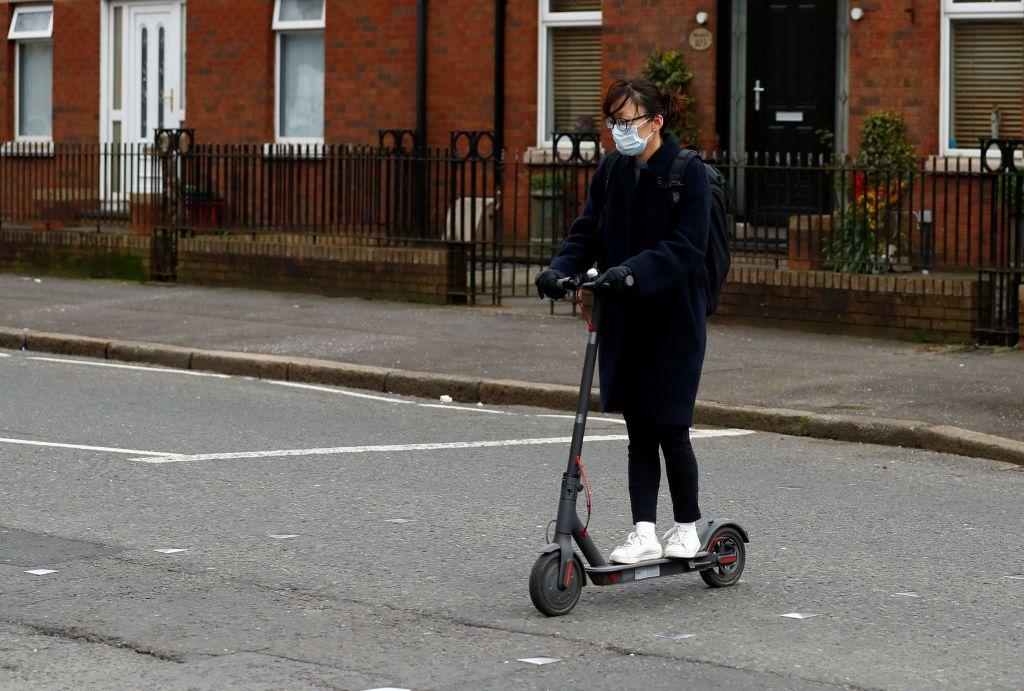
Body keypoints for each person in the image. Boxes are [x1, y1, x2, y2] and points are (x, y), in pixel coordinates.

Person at [535, 78, 712, 565]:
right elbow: (587, 230)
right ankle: (643, 531)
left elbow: (687, 247)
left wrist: (632, 272)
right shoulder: (612, 170)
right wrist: (560, 269)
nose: (618, 132)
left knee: (671, 426)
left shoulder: (687, 172)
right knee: (639, 430)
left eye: (627, 122)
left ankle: (686, 528)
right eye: (612, 122)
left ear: (656, 122)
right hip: (625, 316)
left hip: (674, 320)